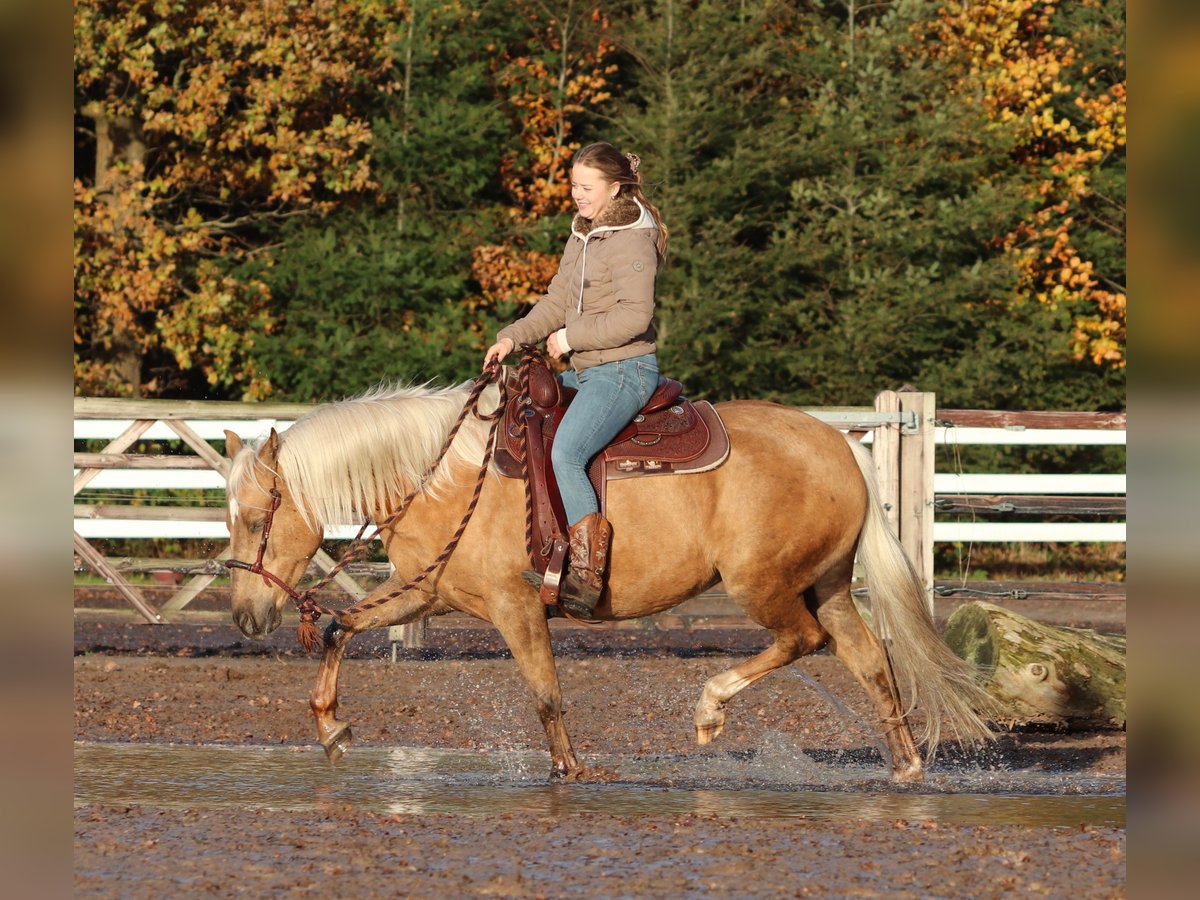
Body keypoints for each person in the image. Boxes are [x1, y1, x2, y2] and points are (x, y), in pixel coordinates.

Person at [484, 142, 669, 617]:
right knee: (531, 438)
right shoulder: (583, 235)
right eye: (573, 186)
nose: (577, 196)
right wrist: (510, 337)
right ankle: (551, 555)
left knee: (567, 452)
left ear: (615, 187)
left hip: (625, 370)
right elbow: (555, 301)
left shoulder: (631, 239)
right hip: (589, 371)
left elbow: (635, 315)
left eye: (586, 187)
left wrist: (569, 338)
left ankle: (586, 578)